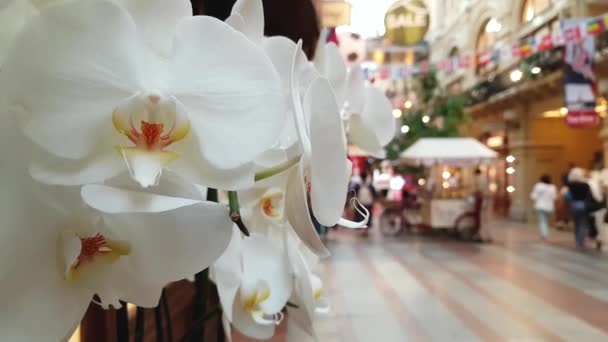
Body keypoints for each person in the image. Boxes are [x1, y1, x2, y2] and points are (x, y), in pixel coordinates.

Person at [567, 168, 594, 249]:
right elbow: (590, 196)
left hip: (574, 205)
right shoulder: (586, 185)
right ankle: (581, 241)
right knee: (583, 223)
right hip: (583, 205)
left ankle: (577, 240)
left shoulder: (571, 185)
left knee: (576, 223)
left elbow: (568, 195)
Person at [530, 174, 558, 240]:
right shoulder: (552, 187)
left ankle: (544, 234)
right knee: (546, 221)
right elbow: (554, 197)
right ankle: (544, 233)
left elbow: (533, 196)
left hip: (540, 206)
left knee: (542, 221)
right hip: (549, 207)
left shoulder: (538, 186)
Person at [472, 168, 492, 242]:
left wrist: (475, 193)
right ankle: (486, 235)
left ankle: (484, 236)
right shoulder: (483, 177)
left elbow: (480, 190)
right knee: (485, 219)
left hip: (484, 200)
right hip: (485, 200)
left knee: (483, 218)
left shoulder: (480, 178)